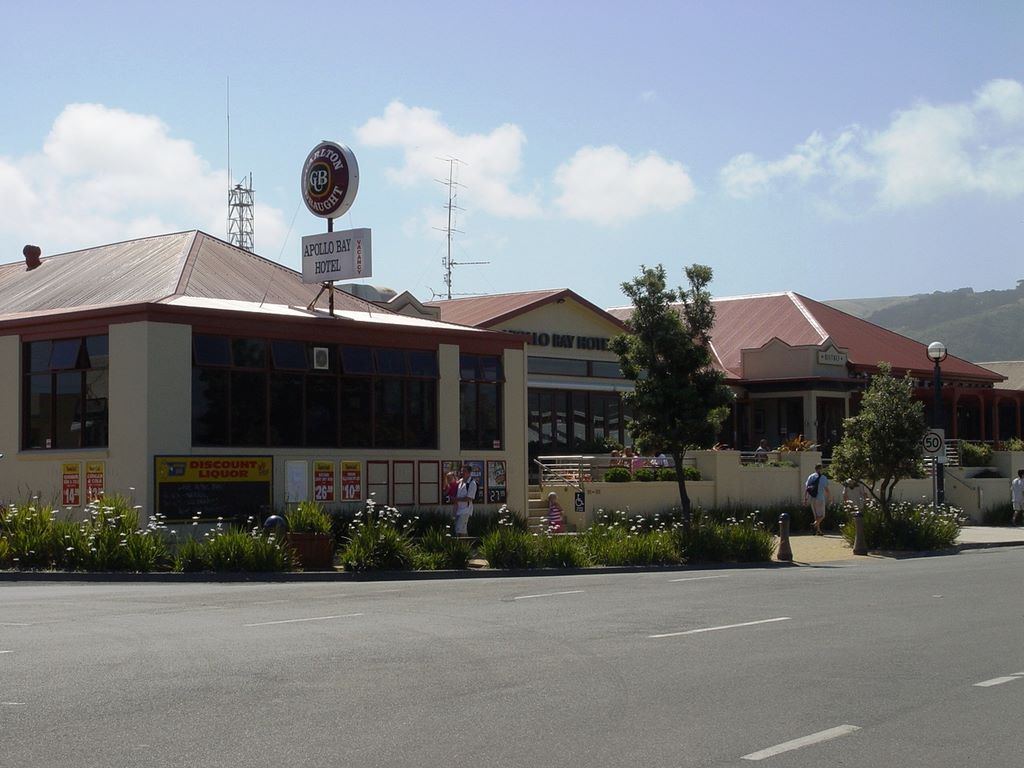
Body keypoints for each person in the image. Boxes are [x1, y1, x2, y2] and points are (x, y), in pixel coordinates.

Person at [804, 463, 831, 535]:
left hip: (812, 498)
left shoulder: (811, 477)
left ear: (815, 469)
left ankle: (818, 531)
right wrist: (830, 498)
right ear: (821, 469)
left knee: (816, 516)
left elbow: (807, 488)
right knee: (822, 516)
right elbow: (826, 489)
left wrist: (805, 499)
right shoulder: (823, 478)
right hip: (820, 498)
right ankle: (814, 524)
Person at [454, 464, 478, 536]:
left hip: (465, 510)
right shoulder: (460, 481)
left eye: (464, 471)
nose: (462, 473)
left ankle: (463, 543)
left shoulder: (472, 483)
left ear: (469, 473)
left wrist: (457, 499)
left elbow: (469, 498)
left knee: (460, 530)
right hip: (458, 509)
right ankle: (467, 542)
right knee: (462, 530)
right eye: (461, 471)